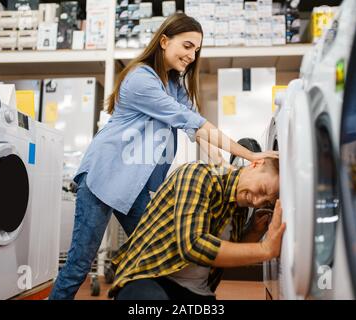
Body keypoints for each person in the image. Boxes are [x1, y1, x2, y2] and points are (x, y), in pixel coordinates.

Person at [49, 13, 277, 300]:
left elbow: (197, 128)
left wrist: (224, 167)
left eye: (196, 50)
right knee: (79, 263)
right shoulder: (141, 79)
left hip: (135, 188)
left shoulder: (175, 86)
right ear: (164, 40)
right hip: (103, 178)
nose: (192, 56)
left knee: (159, 249)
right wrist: (251, 154)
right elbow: (192, 122)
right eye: (187, 46)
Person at [108, 159, 285, 300]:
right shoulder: (199, 174)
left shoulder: (241, 207)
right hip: (151, 277)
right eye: (262, 189)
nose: (256, 201)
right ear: (256, 163)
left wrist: (254, 231)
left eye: (265, 202)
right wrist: (265, 249)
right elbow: (193, 246)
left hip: (198, 291)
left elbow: (227, 254)